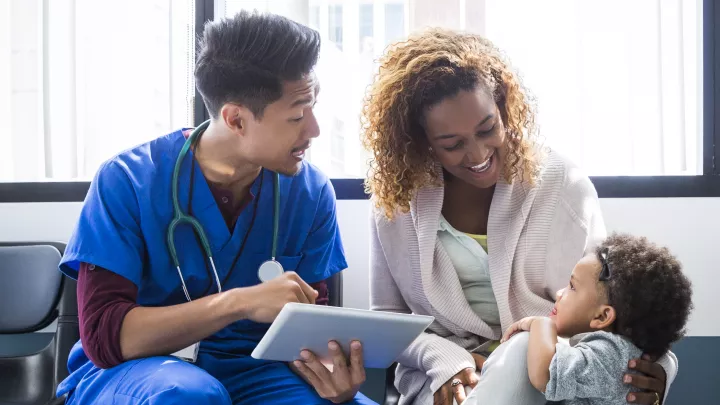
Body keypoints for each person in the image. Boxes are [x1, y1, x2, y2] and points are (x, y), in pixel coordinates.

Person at [55, 11, 375, 405]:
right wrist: (240, 301)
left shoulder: (309, 192)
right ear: (236, 119)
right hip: (136, 372)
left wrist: (332, 374)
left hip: (256, 370)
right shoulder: (127, 182)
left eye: (312, 109)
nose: (314, 130)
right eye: (296, 116)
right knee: (189, 396)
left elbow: (312, 329)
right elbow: (105, 338)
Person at [362, 28, 678, 405]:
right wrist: (444, 361)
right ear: (421, 140)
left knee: (522, 351)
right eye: (453, 144)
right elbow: (388, 323)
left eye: (487, 128)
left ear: (504, 107)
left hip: (552, 377)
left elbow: (616, 304)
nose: (478, 153)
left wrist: (660, 370)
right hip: (445, 384)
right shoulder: (396, 202)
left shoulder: (563, 186)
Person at [456, 233, 693, 405]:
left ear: (602, 316)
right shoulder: (625, 353)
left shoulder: (608, 354)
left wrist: (541, 324)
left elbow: (546, 376)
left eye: (571, 287)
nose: (559, 293)